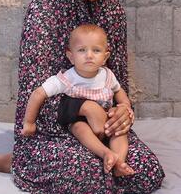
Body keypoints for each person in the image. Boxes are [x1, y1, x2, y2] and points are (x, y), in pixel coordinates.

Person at [0, 0, 165, 194]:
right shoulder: (43, 12)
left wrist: (123, 112)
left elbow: (118, 82)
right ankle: (22, 161)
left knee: (148, 173)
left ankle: (88, 162)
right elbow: (35, 95)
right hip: (50, 129)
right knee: (91, 180)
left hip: (102, 129)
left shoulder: (112, 11)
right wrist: (82, 108)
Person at [21, 24, 135, 177]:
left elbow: (118, 91)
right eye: (82, 50)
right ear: (71, 56)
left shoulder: (107, 75)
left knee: (119, 132)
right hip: (80, 121)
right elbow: (38, 94)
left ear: (105, 57)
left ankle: (119, 162)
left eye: (96, 50)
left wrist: (124, 106)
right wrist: (29, 122)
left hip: (105, 120)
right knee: (80, 128)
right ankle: (105, 153)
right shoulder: (66, 79)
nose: (89, 55)